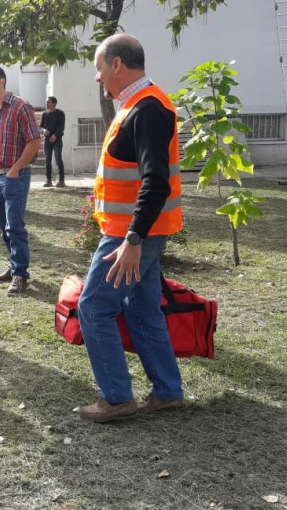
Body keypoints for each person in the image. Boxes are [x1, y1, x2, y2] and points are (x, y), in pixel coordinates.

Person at [77, 33, 185, 423]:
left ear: (117, 65)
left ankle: (117, 399)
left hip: (131, 236)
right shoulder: (137, 106)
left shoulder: (148, 109)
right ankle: (168, 392)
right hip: (136, 233)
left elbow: (156, 182)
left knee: (92, 307)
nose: (97, 77)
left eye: (99, 67)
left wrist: (133, 239)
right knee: (141, 307)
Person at [0, 65, 41, 296]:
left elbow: (34, 142)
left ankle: (21, 275)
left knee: (15, 226)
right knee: (3, 227)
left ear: (1, 82)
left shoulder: (20, 106)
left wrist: (15, 169)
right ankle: (14, 265)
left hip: (15, 176)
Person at [41, 96, 66, 188]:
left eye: (49, 102)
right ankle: (48, 180)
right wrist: (43, 130)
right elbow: (41, 126)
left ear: (54, 104)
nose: (47, 104)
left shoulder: (60, 113)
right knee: (47, 160)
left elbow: (62, 127)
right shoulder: (45, 114)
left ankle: (61, 180)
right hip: (47, 141)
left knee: (58, 159)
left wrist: (55, 135)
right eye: (46, 102)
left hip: (57, 140)